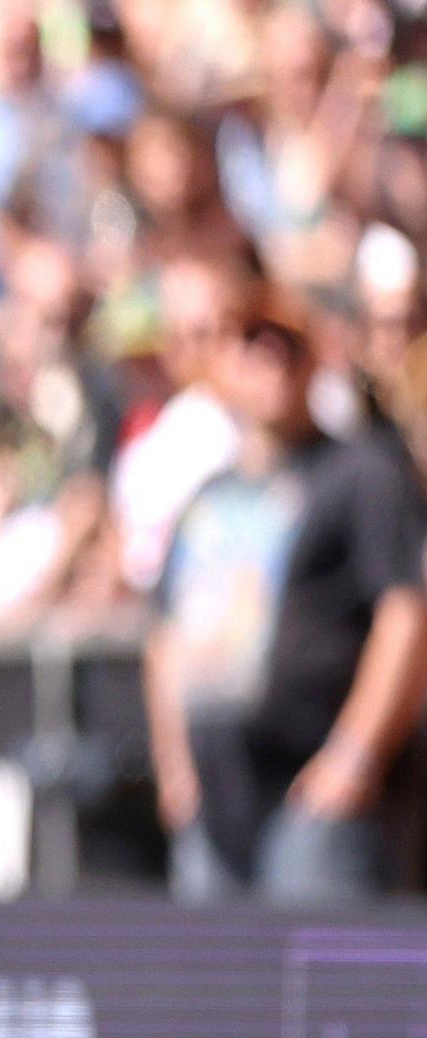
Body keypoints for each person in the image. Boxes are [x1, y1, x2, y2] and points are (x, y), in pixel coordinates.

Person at [147, 289, 427, 906]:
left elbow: (406, 614)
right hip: (217, 805)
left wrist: (356, 755)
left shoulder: (363, 473)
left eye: (286, 349)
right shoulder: (207, 497)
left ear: (313, 362)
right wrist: (174, 768)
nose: (269, 365)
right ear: (220, 368)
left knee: (324, 996)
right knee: (213, 994)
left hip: (313, 799)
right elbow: (166, 632)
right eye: (251, 350)